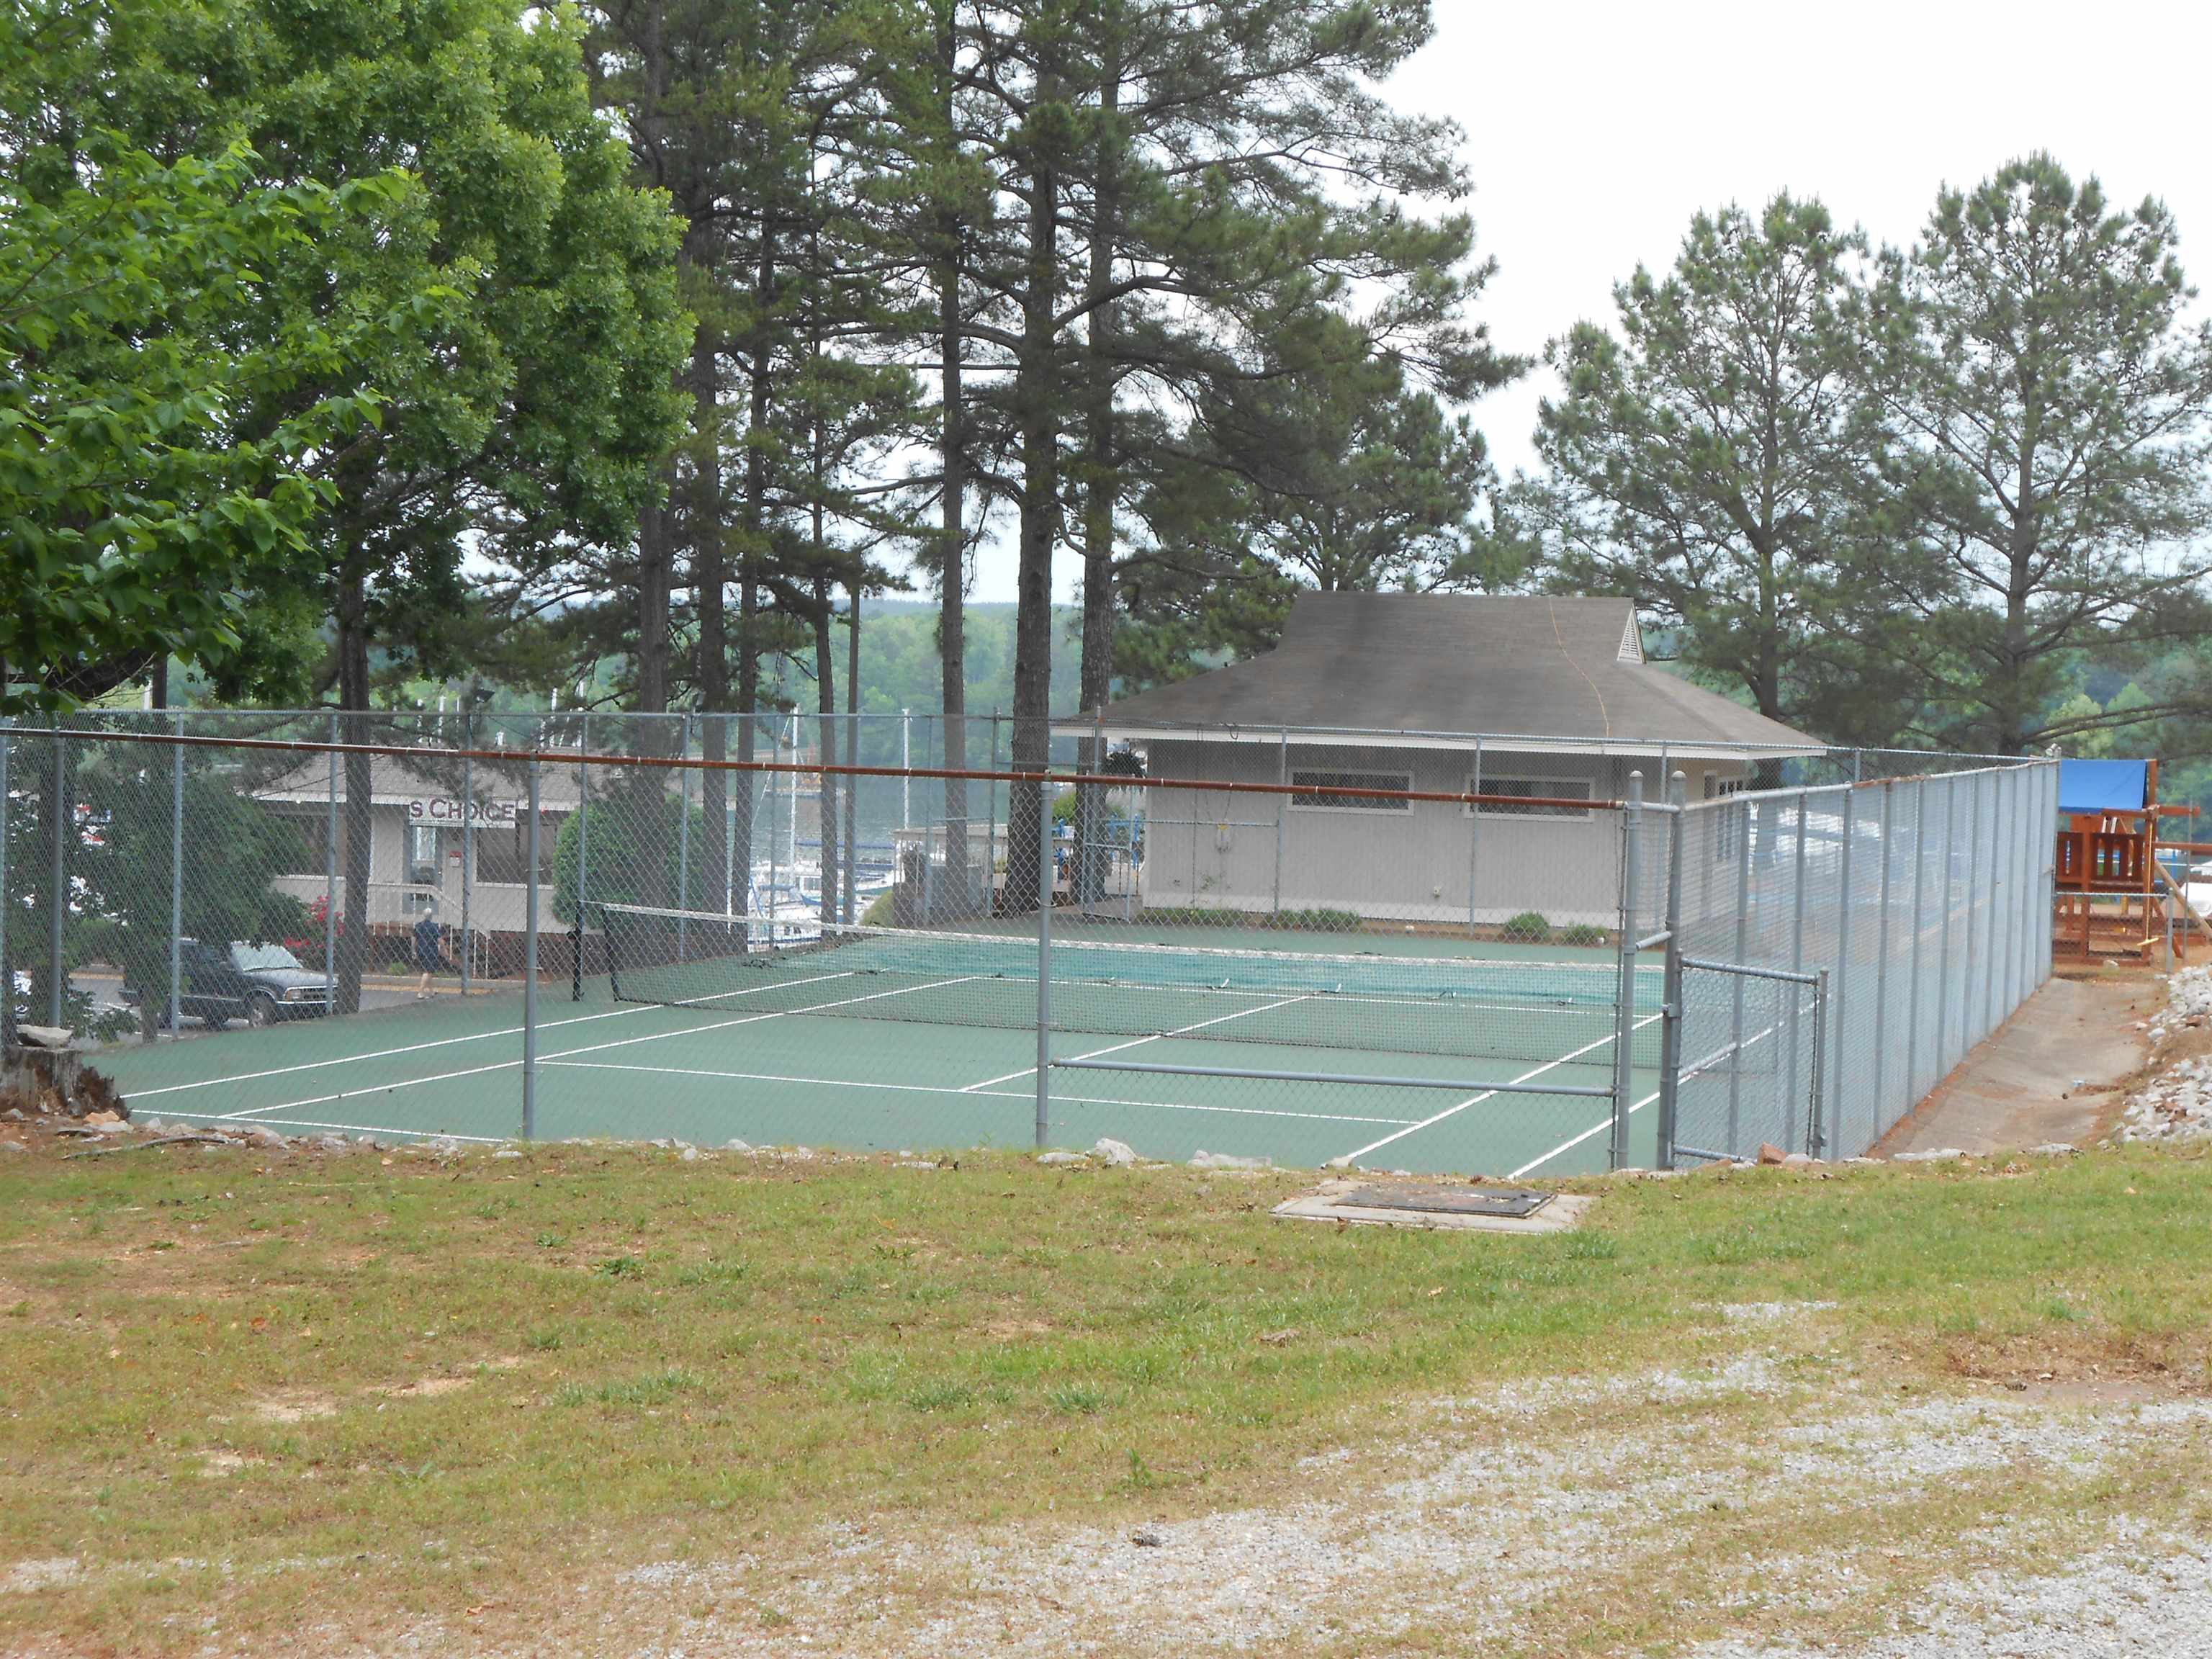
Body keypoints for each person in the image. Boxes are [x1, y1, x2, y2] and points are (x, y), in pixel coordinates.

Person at [413, 902, 449, 1000]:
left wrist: (414, 950)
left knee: (428, 970)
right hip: (430, 950)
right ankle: (421, 992)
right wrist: (444, 949)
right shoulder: (434, 926)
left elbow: (414, 939)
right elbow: (439, 940)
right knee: (428, 971)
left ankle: (431, 990)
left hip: (420, 949)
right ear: (431, 916)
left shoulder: (418, 926)